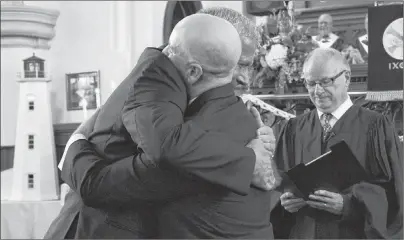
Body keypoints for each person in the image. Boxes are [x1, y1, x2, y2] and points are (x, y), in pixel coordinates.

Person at [45, 13, 278, 239]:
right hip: (96, 227)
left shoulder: (173, 86)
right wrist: (249, 161)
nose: (244, 78)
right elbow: (99, 183)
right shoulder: (163, 94)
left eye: (248, 65)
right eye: (237, 63)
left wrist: (75, 144)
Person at [270, 48, 403, 239]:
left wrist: (349, 205)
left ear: (346, 78)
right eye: (310, 83)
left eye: (325, 82)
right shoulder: (293, 129)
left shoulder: (375, 127)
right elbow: (276, 184)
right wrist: (284, 202)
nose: (317, 91)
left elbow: (393, 192)